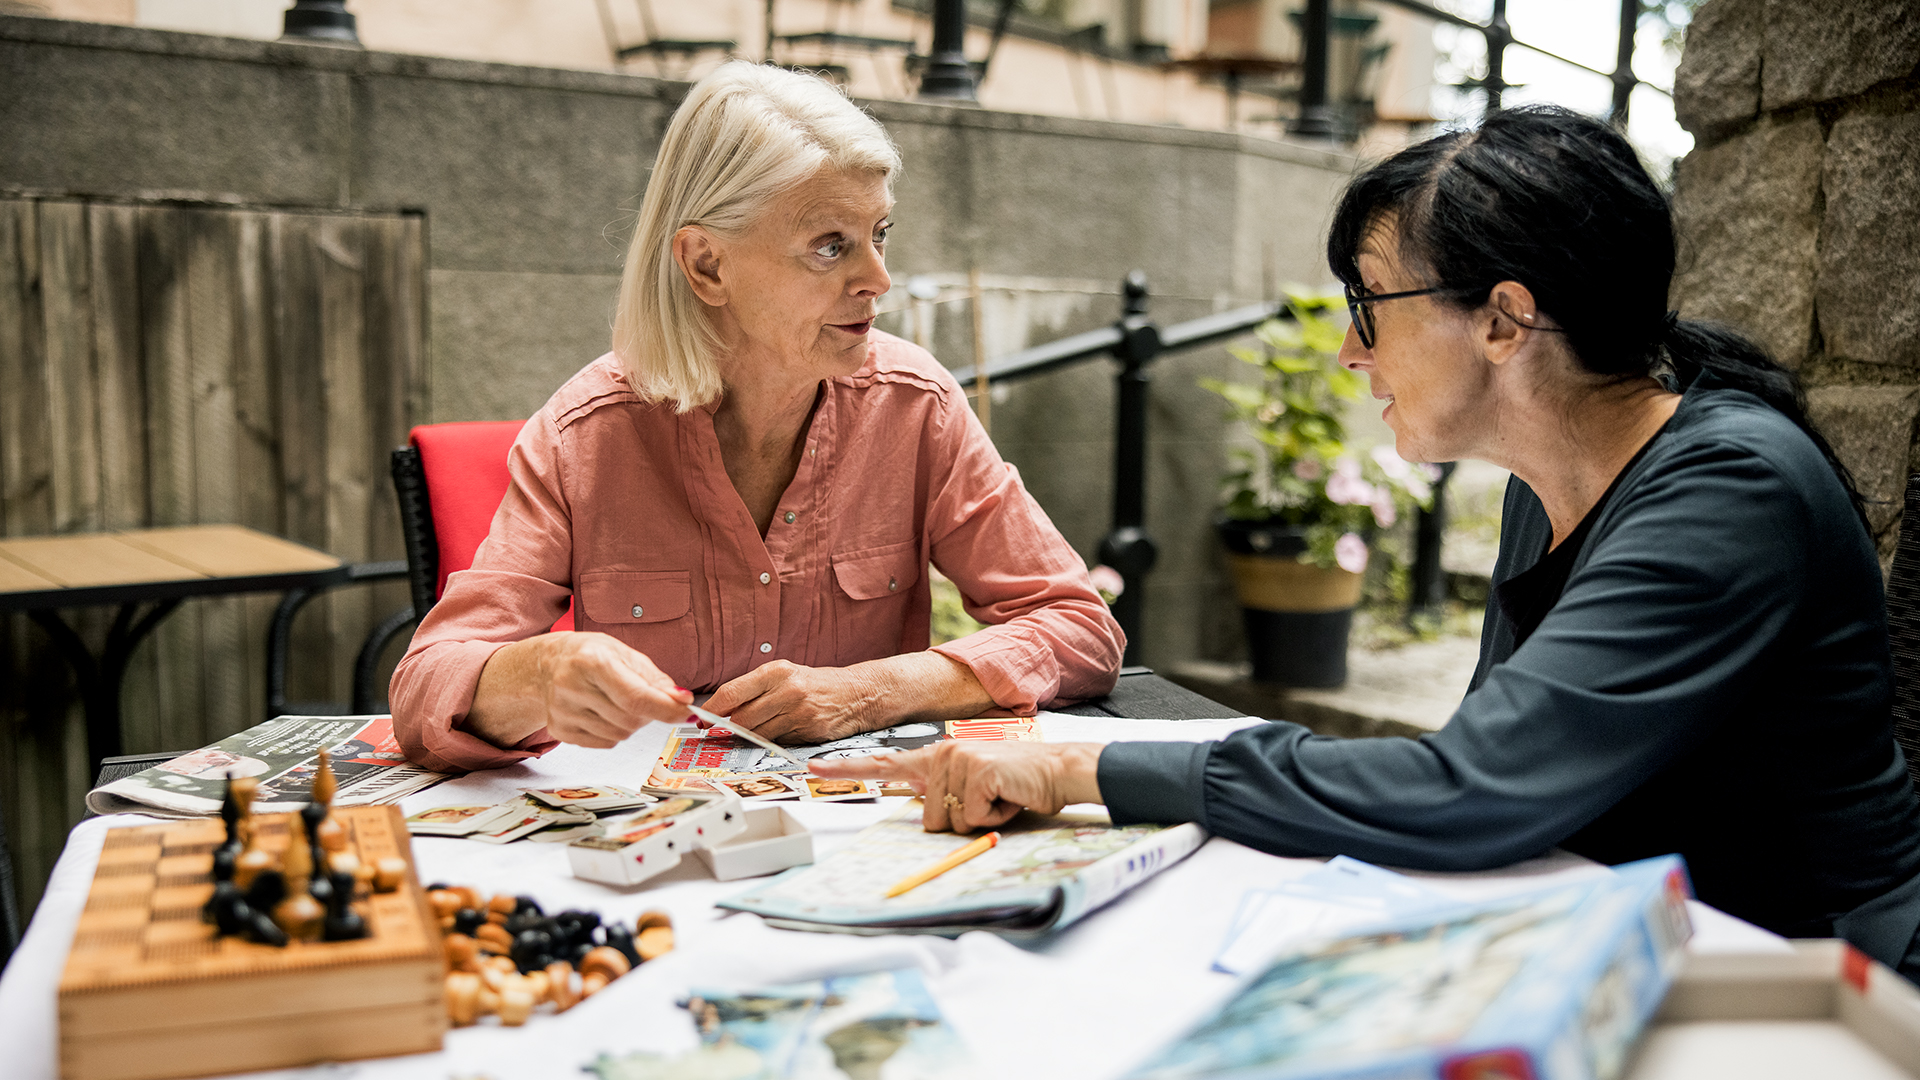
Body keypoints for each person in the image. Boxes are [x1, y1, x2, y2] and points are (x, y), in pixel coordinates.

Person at [817, 105, 1920, 979]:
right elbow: (1485, 775)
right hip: (1624, 928)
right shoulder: (1553, 479)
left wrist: (1075, 764)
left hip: (1807, 980)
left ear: (1503, 319)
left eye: (1370, 303)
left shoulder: (1732, 489)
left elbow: (1467, 789)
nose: (1350, 350)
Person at [390, 62, 1124, 775]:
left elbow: (1080, 628)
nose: (878, 279)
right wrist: (537, 672)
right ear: (707, 265)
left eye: (881, 234)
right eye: (830, 246)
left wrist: (873, 692)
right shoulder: (584, 434)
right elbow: (428, 684)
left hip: (859, 847)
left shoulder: (915, 405)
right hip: (653, 855)